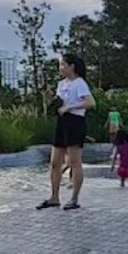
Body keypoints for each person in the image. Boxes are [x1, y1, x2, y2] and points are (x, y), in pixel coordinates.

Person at [36, 54, 96, 211]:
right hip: (62, 122)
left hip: (75, 122)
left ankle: (74, 198)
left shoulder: (80, 83)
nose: (60, 68)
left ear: (72, 67)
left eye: (63, 65)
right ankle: (54, 197)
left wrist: (71, 107)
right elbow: (60, 101)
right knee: (55, 162)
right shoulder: (61, 84)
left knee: (75, 162)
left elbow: (90, 102)